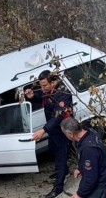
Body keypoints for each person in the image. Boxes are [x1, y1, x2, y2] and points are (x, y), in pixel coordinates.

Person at [25, 70, 73, 198]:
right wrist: (31, 97)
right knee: (53, 150)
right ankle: (63, 171)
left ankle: (58, 188)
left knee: (60, 157)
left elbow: (57, 117)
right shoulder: (47, 90)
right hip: (53, 130)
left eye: (45, 85)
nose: (42, 88)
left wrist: (43, 130)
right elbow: (41, 97)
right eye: (41, 85)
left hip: (62, 131)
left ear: (53, 82)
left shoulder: (62, 94)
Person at [60, 117, 106, 198]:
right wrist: (80, 168)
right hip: (99, 178)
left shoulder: (88, 149)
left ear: (71, 134)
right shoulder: (90, 132)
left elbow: (90, 178)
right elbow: (92, 160)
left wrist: (79, 194)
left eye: (65, 134)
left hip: (99, 186)